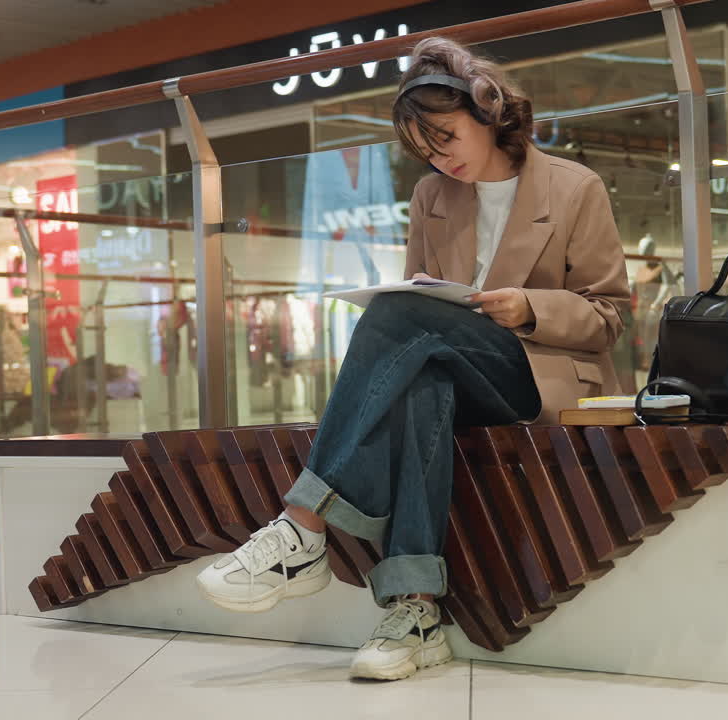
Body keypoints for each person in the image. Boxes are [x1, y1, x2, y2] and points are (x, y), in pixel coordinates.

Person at [195, 36, 630, 681]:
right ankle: (415, 612)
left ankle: (303, 526)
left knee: (397, 323)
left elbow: (610, 314)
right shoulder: (433, 197)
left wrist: (529, 307)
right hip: (457, 366)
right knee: (424, 383)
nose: (439, 158)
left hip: (538, 373)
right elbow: (418, 299)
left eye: (446, 137)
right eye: (425, 149)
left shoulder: (573, 188)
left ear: (489, 114)